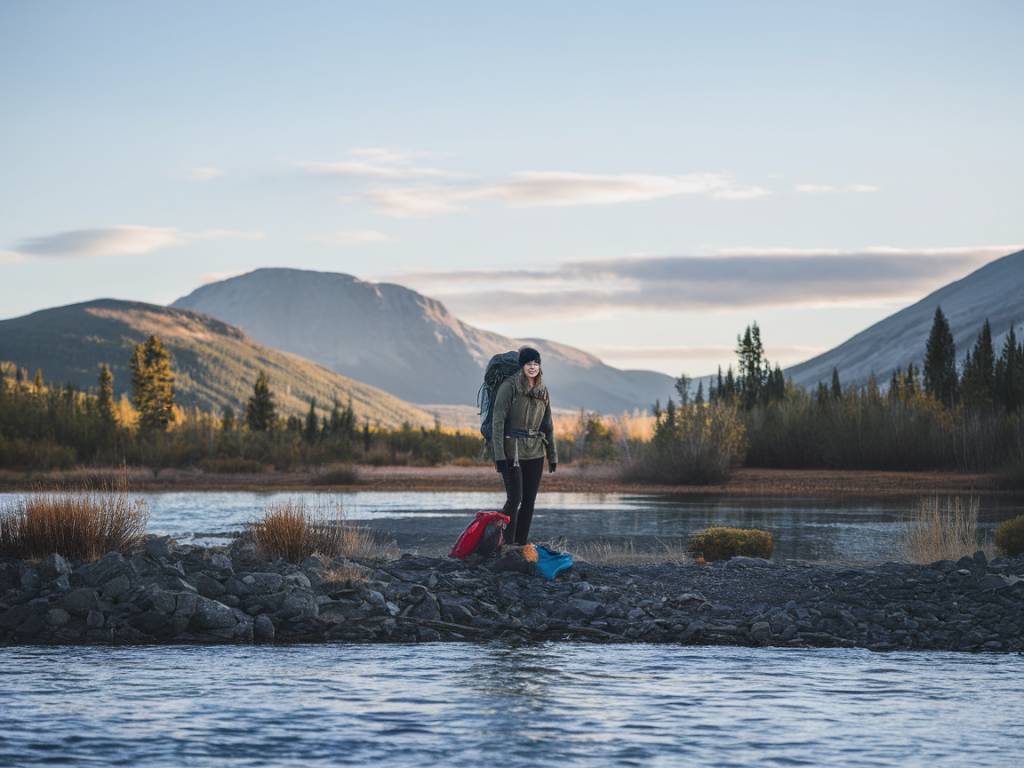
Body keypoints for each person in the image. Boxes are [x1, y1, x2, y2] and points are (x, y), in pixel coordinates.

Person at [491, 346, 557, 545]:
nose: (533, 367)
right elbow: (497, 422)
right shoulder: (509, 387)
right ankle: (503, 543)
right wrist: (499, 456)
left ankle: (520, 545)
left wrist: (552, 455)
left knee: (529, 501)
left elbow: (548, 424)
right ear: (522, 365)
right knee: (514, 500)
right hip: (513, 451)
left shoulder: (543, 390)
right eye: (529, 363)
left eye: (536, 363)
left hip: (536, 452)